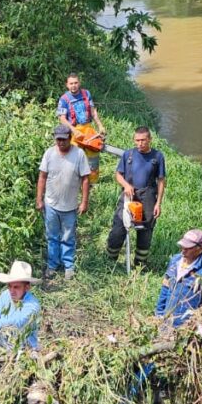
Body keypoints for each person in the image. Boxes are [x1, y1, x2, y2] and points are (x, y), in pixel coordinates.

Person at [106, 126, 167, 268]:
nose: (140, 143)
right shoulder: (128, 155)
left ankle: (140, 264)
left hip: (148, 198)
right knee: (118, 228)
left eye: (143, 140)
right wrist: (126, 185)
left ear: (150, 140)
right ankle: (110, 261)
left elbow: (161, 181)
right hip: (129, 196)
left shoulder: (157, 157)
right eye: (137, 140)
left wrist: (158, 203)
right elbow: (118, 174)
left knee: (145, 231)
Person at [36, 125, 91, 279]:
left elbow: (85, 179)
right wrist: (39, 199)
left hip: (70, 206)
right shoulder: (49, 153)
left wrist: (84, 202)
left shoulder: (79, 154)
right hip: (51, 204)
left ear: (70, 138)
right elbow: (42, 176)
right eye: (58, 139)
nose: (60, 142)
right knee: (52, 236)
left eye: (63, 139)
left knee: (68, 237)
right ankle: (52, 265)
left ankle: (68, 265)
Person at [155, 229, 202, 328]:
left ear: (200, 248)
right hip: (166, 321)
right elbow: (165, 287)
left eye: (188, 247)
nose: (183, 250)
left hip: (185, 327)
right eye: (183, 246)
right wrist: (159, 313)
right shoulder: (175, 260)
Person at [57, 73, 106, 180]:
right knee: (73, 157)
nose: (73, 85)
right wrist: (74, 130)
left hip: (88, 128)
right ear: (67, 85)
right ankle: (74, 181)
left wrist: (100, 125)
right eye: (71, 83)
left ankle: (91, 182)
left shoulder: (86, 94)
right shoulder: (64, 99)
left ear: (79, 83)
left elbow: (93, 112)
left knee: (94, 152)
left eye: (75, 83)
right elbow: (62, 118)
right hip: (74, 131)